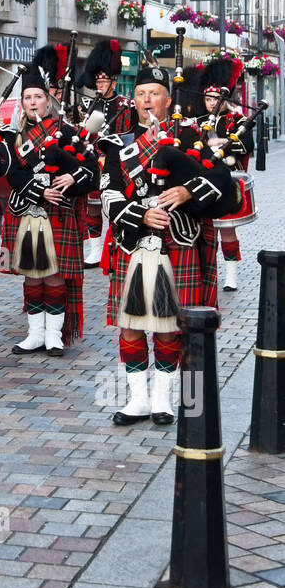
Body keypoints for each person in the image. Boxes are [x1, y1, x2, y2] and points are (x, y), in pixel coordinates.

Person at [100, 62, 231, 427]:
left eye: (154, 94)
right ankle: (137, 399)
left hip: (178, 240)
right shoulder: (118, 143)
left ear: (167, 99)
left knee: (169, 325)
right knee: (130, 325)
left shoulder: (189, 137)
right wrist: (139, 215)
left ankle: (163, 399)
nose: (147, 100)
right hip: (133, 243)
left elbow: (219, 178)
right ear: (134, 100)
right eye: (141, 94)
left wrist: (188, 190)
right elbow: (108, 193)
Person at [2, 64, 97, 357]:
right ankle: (34, 334)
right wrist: (39, 190)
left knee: (55, 274)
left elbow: (91, 168)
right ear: (22, 103)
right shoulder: (13, 137)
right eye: (27, 97)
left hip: (60, 211)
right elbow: (11, 174)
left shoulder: (68, 132)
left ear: (48, 100)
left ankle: (54, 335)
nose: (33, 102)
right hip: (29, 210)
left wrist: (72, 177)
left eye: (38, 97)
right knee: (32, 273)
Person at [197, 54, 252, 292]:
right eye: (208, 98)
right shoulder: (197, 120)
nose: (211, 103)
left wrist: (222, 142)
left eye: (216, 98)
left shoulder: (237, 119)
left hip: (228, 177)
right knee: (205, 231)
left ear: (224, 98)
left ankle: (231, 276)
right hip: (203, 178)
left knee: (227, 228)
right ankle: (208, 273)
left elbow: (247, 145)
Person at [77, 39, 134, 266]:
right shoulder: (89, 105)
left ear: (114, 80)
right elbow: (83, 136)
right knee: (93, 206)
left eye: (105, 80)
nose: (101, 84)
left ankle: (115, 244)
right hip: (94, 163)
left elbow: (130, 135)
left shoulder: (126, 105)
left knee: (115, 203)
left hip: (118, 163)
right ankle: (95, 250)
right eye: (98, 80)